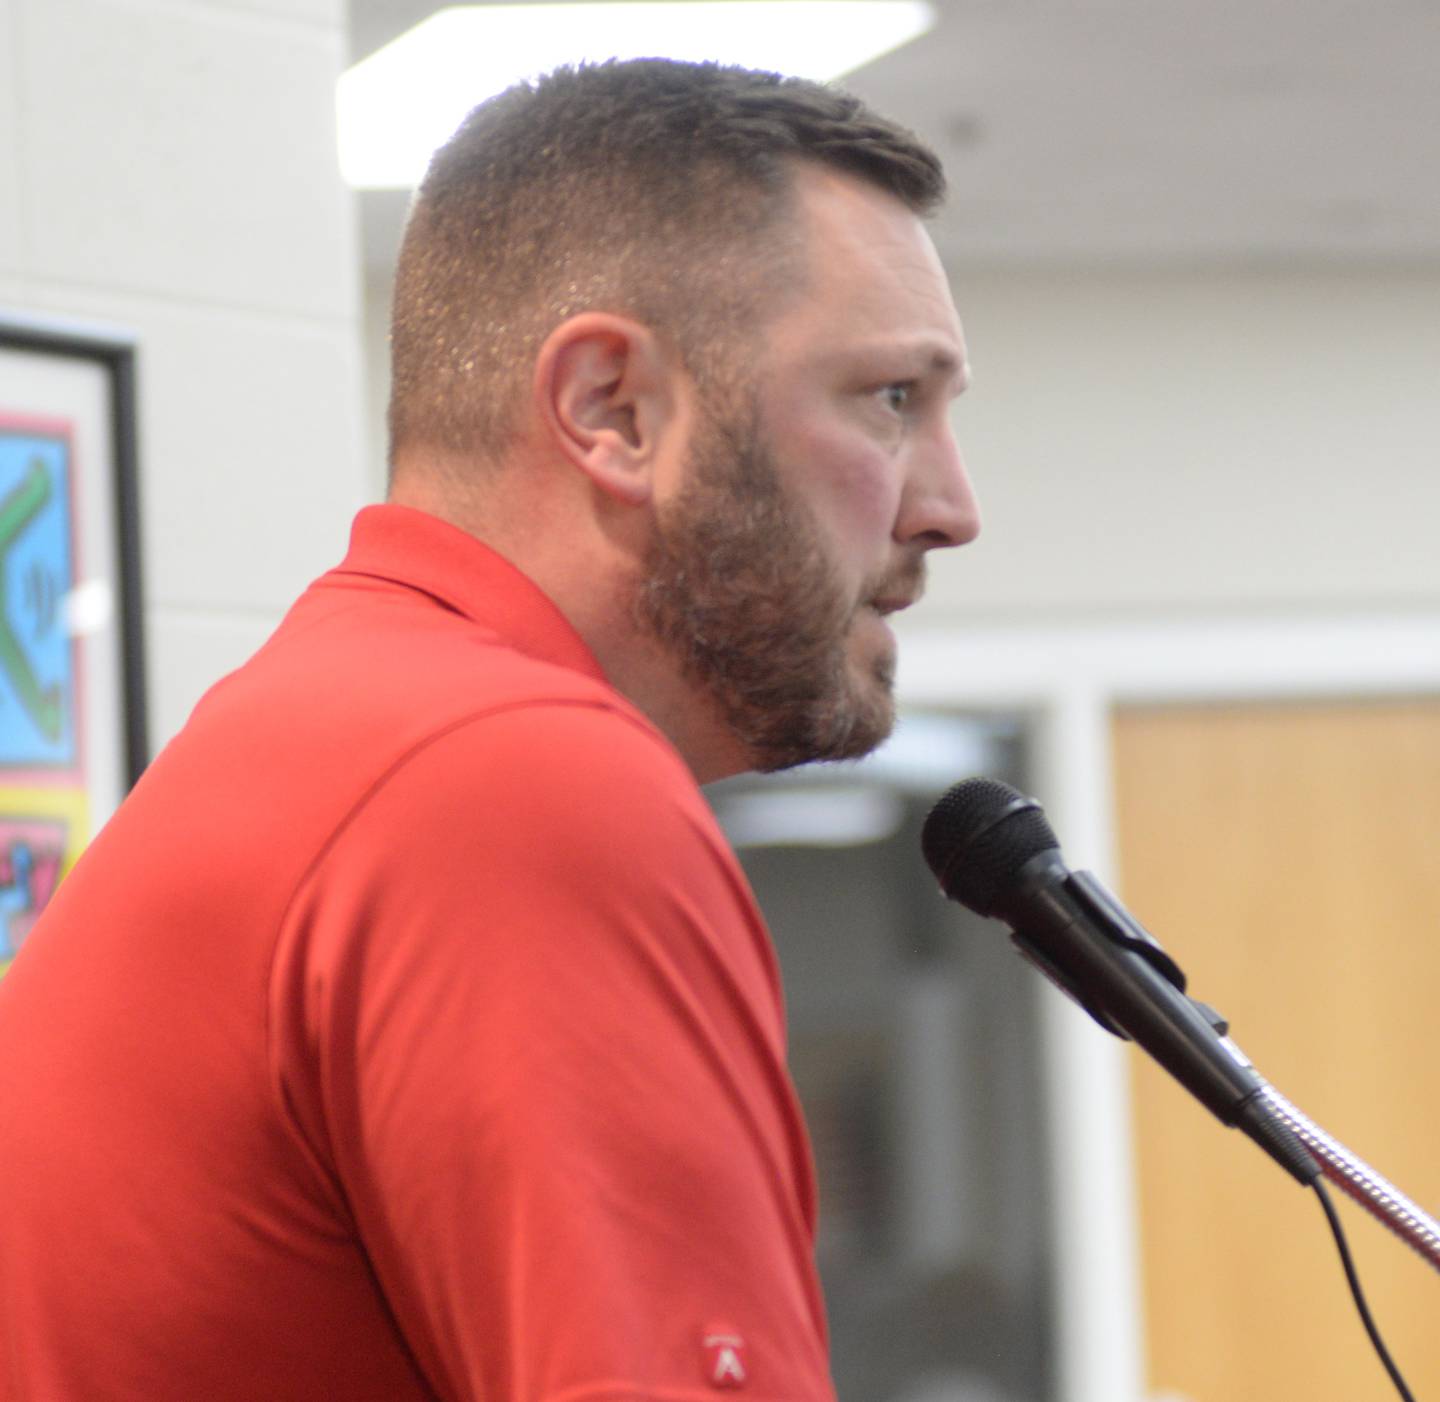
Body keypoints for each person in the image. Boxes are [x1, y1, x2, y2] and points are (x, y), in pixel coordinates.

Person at [0, 59, 977, 1401]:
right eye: (889, 400)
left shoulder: (333, 731)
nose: (949, 504)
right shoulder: (513, 779)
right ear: (612, 411)